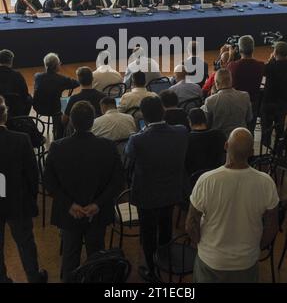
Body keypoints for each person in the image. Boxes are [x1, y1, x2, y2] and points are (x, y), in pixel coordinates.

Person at [186, 128, 279, 283]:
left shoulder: (207, 180)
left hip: (212, 260)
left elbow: (191, 223)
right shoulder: (266, 182)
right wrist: (255, 249)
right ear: (252, 152)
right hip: (247, 262)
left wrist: (203, 247)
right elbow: (272, 225)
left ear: (226, 146)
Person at [44, 101, 123, 283]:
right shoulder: (108, 146)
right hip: (98, 211)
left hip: (69, 212)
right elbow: (117, 181)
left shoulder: (57, 147)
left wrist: (69, 204)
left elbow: (49, 182)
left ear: (71, 121)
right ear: (93, 121)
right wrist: (97, 204)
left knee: (70, 255)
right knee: (97, 255)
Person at [125, 96, 189, 283]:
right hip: (172, 192)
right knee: (166, 224)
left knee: (148, 231)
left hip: (147, 195)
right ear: (163, 110)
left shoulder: (137, 139)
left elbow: (129, 155)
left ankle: (152, 270)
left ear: (143, 116)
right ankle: (165, 258)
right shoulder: (181, 132)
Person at [0, 98, 47, 283]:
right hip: (18, 201)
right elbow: (33, 174)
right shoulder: (21, 140)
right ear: (5, 115)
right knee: (26, 242)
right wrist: (32, 199)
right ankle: (33, 277)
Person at [33, 53, 79, 139]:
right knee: (67, 103)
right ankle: (59, 135)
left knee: (54, 102)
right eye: (59, 63)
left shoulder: (37, 76)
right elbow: (76, 83)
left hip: (38, 107)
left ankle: (56, 129)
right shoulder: (61, 79)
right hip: (55, 109)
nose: (60, 64)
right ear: (56, 65)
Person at [261, 42, 287, 148]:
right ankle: (278, 150)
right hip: (284, 101)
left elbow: (265, 71)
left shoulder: (270, 66)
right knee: (280, 127)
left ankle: (265, 148)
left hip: (269, 101)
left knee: (266, 127)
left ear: (275, 52)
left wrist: (271, 59)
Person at [227, 35, 265, 133]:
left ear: (239, 50)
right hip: (253, 103)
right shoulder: (261, 66)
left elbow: (223, 74)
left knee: (235, 131)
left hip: (236, 104)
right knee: (250, 132)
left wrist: (230, 56)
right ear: (253, 49)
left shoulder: (232, 66)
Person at [201, 68, 252, 138]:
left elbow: (206, 124)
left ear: (216, 83)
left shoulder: (210, 101)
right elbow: (249, 118)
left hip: (218, 141)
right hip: (240, 138)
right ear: (231, 81)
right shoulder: (245, 96)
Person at [185, 108, 226, 176]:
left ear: (190, 121)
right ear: (205, 120)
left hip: (194, 178)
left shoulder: (187, 139)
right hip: (218, 174)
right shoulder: (219, 135)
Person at [0, 49, 32, 116]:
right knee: (29, 97)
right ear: (11, 61)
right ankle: (23, 119)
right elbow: (25, 94)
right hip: (15, 111)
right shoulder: (17, 75)